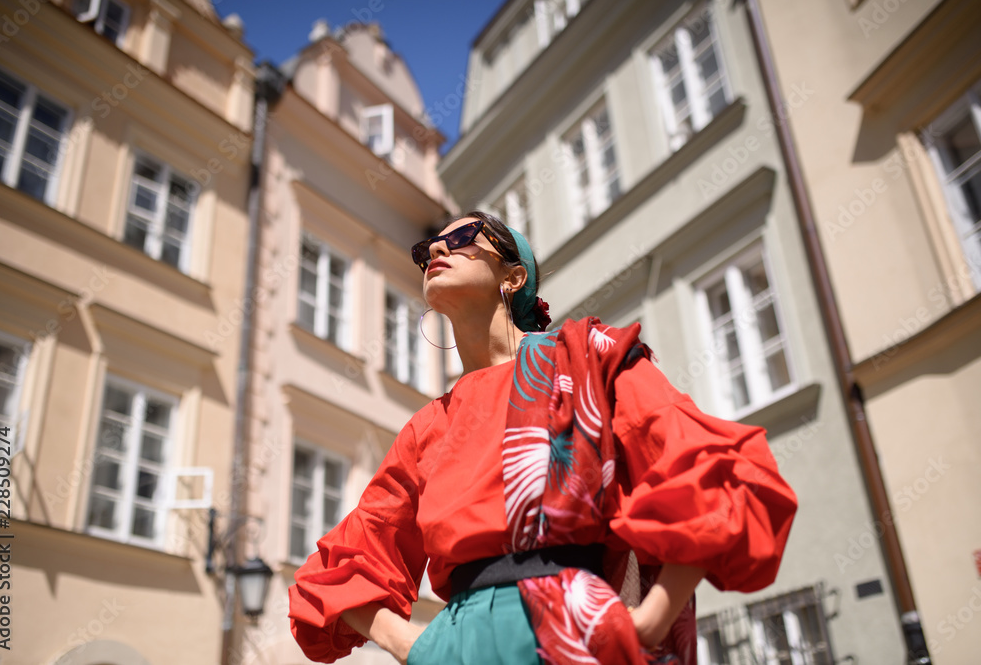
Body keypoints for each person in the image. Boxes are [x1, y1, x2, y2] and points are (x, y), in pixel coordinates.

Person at [288, 211, 798, 664]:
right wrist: (415, 647)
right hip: (455, 641)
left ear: (514, 276)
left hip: (575, 629)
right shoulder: (428, 427)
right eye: (426, 250)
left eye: (464, 235)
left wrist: (651, 619)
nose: (437, 250)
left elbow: (707, 463)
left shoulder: (588, 359)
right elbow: (348, 558)